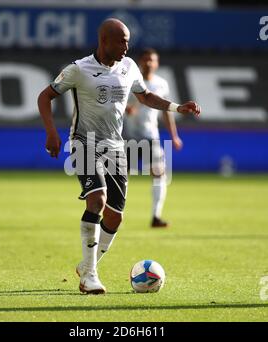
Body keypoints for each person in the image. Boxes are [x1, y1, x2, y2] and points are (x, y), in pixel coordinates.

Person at [37, 18, 201, 295]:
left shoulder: (129, 67)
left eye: (128, 41)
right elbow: (44, 96)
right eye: (122, 41)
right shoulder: (79, 69)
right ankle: (89, 276)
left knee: (115, 217)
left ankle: (87, 264)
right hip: (83, 142)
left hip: (116, 146)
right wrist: (51, 133)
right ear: (104, 41)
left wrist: (176, 107)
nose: (127, 46)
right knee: (97, 200)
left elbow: (146, 96)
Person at [124, 48, 183, 228]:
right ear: (140, 62)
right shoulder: (129, 81)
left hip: (151, 137)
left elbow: (166, 112)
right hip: (128, 137)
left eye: (152, 60)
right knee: (120, 178)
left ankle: (156, 217)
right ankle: (114, 214)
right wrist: (127, 109)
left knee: (159, 174)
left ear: (156, 64)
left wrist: (174, 135)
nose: (148, 63)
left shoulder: (161, 84)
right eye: (145, 59)